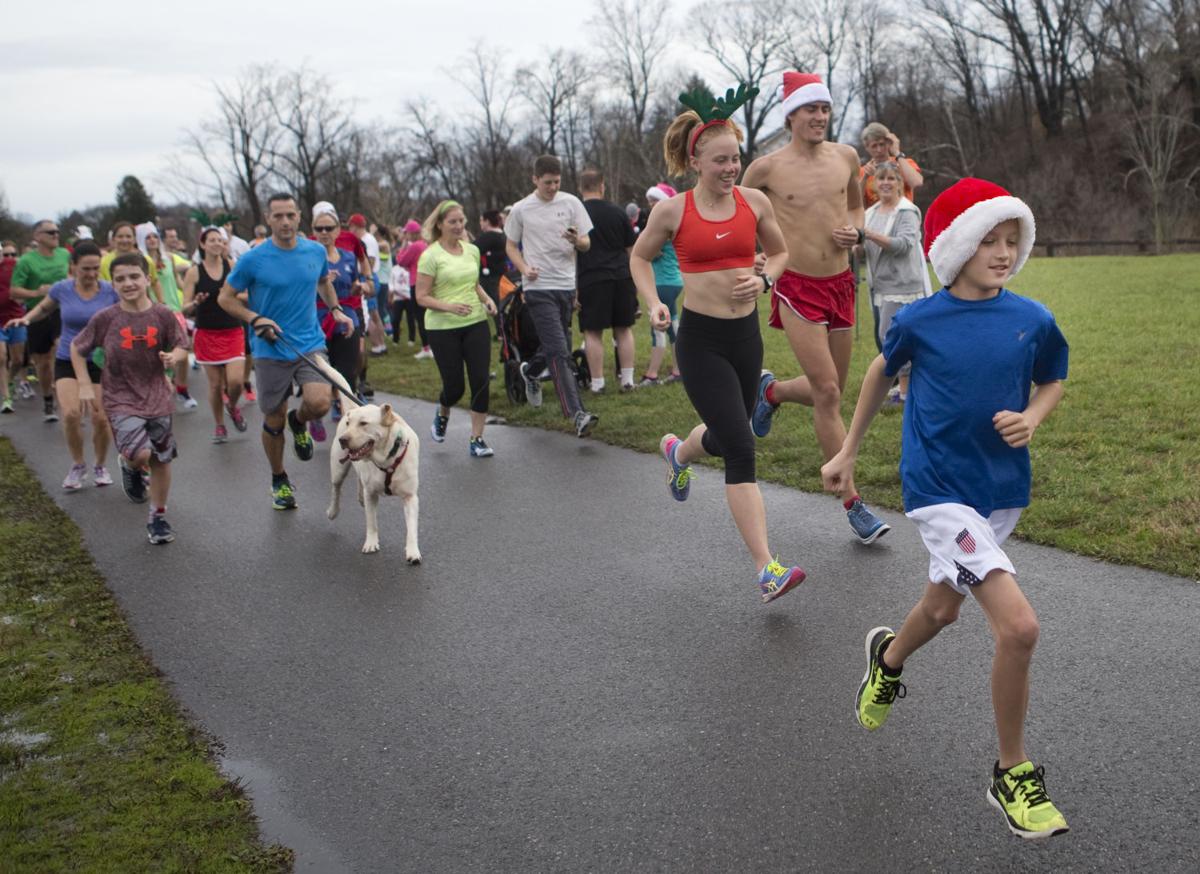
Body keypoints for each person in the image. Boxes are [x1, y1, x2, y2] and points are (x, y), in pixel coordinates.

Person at [822, 178, 1070, 840]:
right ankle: (1010, 771)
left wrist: (1034, 418)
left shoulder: (1032, 319)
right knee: (1018, 627)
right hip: (935, 489)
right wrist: (848, 451)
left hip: (998, 490)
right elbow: (880, 371)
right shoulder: (920, 320)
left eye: (1011, 239)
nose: (1003, 250)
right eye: (988, 238)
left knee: (941, 607)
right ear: (956, 247)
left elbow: (1054, 378)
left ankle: (888, 661)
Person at [630, 87, 807, 603]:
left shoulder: (754, 202)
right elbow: (640, 259)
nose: (732, 168)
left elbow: (779, 252)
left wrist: (766, 280)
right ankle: (766, 568)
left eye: (737, 158)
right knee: (742, 447)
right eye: (721, 161)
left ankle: (678, 451)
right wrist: (652, 303)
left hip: (744, 336)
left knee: (736, 429)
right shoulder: (672, 211)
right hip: (700, 339)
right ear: (695, 160)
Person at [742, 72, 891, 545]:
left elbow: (855, 207)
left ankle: (771, 394)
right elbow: (741, 216)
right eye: (811, 110)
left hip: (841, 283)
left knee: (833, 390)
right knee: (827, 392)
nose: (820, 117)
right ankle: (853, 502)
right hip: (796, 287)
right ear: (792, 115)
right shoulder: (765, 168)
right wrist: (755, 257)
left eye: (825, 109)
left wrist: (853, 228)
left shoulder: (846, 157)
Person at [217, 193, 353, 510]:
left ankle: (299, 420)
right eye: (278, 216)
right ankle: (279, 478)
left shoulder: (315, 251)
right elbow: (226, 298)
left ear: (299, 216)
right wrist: (255, 319)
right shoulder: (253, 259)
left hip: (309, 341)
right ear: (268, 218)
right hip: (269, 347)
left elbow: (323, 283)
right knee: (273, 418)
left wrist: (335, 310)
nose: (285, 222)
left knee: (319, 402)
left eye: (290, 215)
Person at [71, 253, 187, 543]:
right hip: (120, 396)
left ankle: (157, 518)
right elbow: (77, 347)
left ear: (147, 278)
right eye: (120, 279)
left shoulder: (162, 315)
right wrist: (84, 384)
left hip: (158, 395)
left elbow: (182, 345)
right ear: (113, 284)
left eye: (134, 276)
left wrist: (173, 356)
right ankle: (130, 465)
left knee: (161, 458)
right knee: (140, 453)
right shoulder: (106, 318)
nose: (128, 283)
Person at [7, 241, 118, 488]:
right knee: (70, 414)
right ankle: (78, 465)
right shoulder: (62, 289)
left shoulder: (110, 291)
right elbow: (45, 308)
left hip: (99, 361)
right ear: (73, 266)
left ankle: (100, 466)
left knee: (100, 418)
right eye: (85, 269)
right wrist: (25, 319)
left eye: (95, 269)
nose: (91, 274)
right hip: (67, 359)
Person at [505, 154, 600, 438]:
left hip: (565, 284)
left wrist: (576, 240)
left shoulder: (571, 203)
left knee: (556, 344)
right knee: (559, 350)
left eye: (556, 182)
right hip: (537, 286)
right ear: (535, 179)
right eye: (547, 182)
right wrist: (523, 268)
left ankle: (530, 371)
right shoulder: (522, 209)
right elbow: (510, 246)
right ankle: (577, 414)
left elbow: (586, 244)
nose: (552, 187)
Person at [415, 200, 499, 456]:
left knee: (480, 380)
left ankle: (477, 439)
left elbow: (473, 283)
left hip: (475, 323)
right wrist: (449, 307)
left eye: (461, 221)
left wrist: (486, 299)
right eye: (452, 221)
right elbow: (421, 296)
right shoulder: (430, 256)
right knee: (455, 388)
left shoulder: (471, 250)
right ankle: (443, 412)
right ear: (440, 224)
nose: (459, 226)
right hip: (442, 328)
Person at [859, 161, 931, 404]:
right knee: (887, 338)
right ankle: (908, 387)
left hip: (902, 286)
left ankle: (905, 392)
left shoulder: (907, 211)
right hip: (879, 286)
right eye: (881, 179)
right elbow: (863, 252)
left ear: (900, 184)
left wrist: (868, 234)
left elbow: (903, 245)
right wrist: (853, 243)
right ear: (874, 184)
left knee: (894, 337)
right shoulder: (869, 214)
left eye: (892, 178)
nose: (886, 183)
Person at [181, 226, 248, 443]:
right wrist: (196, 302)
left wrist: (234, 295)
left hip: (232, 329)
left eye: (220, 240)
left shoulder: (232, 266)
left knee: (236, 381)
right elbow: (185, 309)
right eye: (212, 240)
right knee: (216, 385)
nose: (217, 243)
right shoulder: (194, 272)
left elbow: (247, 294)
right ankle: (220, 425)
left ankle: (232, 406)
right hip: (207, 332)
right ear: (202, 244)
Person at [576, 169, 638, 394]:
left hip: (591, 278)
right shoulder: (618, 212)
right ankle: (628, 380)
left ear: (581, 188)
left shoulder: (577, 214)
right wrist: (634, 279)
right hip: (621, 276)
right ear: (602, 186)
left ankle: (598, 382)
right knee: (623, 329)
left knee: (592, 332)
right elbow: (632, 248)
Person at [309, 202, 365, 441]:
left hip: (346, 316)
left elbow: (361, 284)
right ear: (313, 229)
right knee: (320, 370)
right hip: (316, 317)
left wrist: (360, 286)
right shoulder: (307, 256)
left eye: (328, 228)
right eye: (319, 228)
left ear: (337, 229)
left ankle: (348, 423)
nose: (324, 233)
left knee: (347, 370)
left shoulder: (349, 256)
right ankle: (315, 413)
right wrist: (321, 282)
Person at [10, 219, 71, 421]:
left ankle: (68, 401)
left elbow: (75, 273)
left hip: (62, 310)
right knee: (43, 363)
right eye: (50, 232)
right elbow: (14, 291)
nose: (56, 235)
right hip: (37, 312)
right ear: (37, 237)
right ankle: (48, 401)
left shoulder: (64, 254)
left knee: (61, 348)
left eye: (57, 231)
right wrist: (37, 291)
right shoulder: (27, 261)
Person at [137, 222, 197, 409]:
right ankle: (160, 388)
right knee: (160, 354)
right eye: (148, 237)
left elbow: (178, 282)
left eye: (155, 236)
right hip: (154, 312)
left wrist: (193, 293)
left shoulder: (169, 258)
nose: (152, 240)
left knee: (183, 351)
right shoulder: (140, 261)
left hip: (175, 310)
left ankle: (182, 389)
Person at [639, 183, 683, 386]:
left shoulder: (662, 224)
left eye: (654, 201)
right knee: (673, 327)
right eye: (649, 201)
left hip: (663, 283)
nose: (650, 205)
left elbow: (647, 253)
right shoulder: (673, 221)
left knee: (658, 329)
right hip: (673, 281)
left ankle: (652, 375)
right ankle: (678, 370)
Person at [349, 213, 388, 356]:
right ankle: (382, 344)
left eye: (351, 226)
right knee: (375, 314)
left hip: (368, 279)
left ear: (355, 226)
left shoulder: (367, 240)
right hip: (369, 277)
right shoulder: (368, 238)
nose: (350, 230)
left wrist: (363, 277)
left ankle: (377, 346)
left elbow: (369, 262)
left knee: (369, 315)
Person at [859, 121, 923, 209]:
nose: (879, 150)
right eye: (874, 146)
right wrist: (865, 178)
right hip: (876, 220)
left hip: (903, 216)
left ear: (889, 143)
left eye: (882, 144)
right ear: (867, 148)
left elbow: (917, 182)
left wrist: (897, 153)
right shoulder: (863, 172)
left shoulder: (903, 163)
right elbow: (856, 204)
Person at [100, 222, 163, 304]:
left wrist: (161, 302)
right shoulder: (104, 262)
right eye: (120, 237)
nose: (124, 240)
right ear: (113, 239)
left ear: (134, 239)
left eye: (128, 236)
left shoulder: (146, 260)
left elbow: (155, 282)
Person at [394, 220, 430, 356]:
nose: (405, 235)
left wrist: (403, 246)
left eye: (406, 233)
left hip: (416, 283)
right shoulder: (423, 244)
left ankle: (426, 348)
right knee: (425, 315)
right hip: (424, 282)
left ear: (411, 233)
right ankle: (429, 346)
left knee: (420, 317)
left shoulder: (415, 246)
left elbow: (401, 261)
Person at [0, 242, 25, 413]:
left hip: (15, 316)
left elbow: (27, 275)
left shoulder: (11, 265)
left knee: (17, 360)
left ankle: (9, 381)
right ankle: (6, 398)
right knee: (1, 358)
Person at [475, 210, 508, 336]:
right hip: (501, 274)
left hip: (490, 277)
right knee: (500, 302)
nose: (480, 224)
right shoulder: (502, 235)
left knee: (494, 302)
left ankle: (501, 332)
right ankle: (502, 331)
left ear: (487, 221)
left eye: (481, 221)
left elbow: (473, 249)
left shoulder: (489, 236)